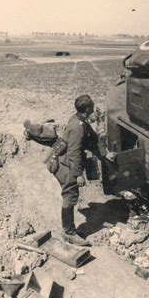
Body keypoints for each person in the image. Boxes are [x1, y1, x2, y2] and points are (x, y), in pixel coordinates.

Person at [55, 94, 99, 246]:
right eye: (92, 106)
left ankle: (70, 230)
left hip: (69, 164)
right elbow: (74, 153)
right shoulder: (78, 127)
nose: (93, 107)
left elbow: (92, 140)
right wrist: (78, 174)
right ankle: (69, 233)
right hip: (68, 166)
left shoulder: (79, 120)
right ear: (87, 109)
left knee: (71, 196)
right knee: (70, 196)